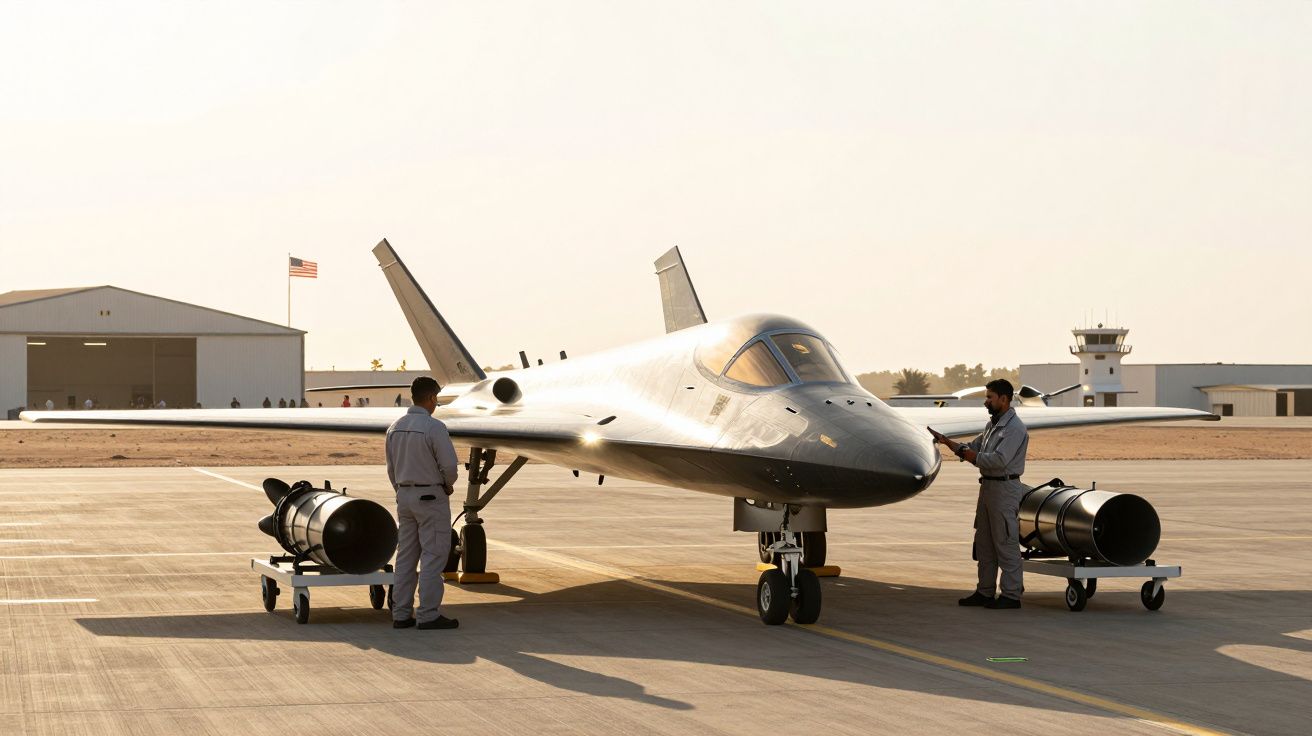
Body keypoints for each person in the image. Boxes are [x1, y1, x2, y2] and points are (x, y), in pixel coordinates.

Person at [930, 379, 1029, 610]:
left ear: (1004, 399)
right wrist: (948, 442)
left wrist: (969, 454)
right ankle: (985, 592)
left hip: (1004, 489)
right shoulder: (992, 425)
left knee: (1005, 542)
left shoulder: (1014, 428)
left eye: (990, 397)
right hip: (988, 488)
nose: (986, 402)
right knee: (984, 543)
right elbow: (973, 447)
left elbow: (998, 460)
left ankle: (1011, 595)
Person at [385, 376, 460, 630]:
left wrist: (400, 490)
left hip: (404, 497)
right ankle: (428, 614)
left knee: (405, 556)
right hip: (430, 497)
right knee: (433, 555)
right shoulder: (434, 427)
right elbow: (449, 466)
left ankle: (401, 613)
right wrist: (448, 484)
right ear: (431, 398)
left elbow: (391, 468)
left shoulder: (395, 426)